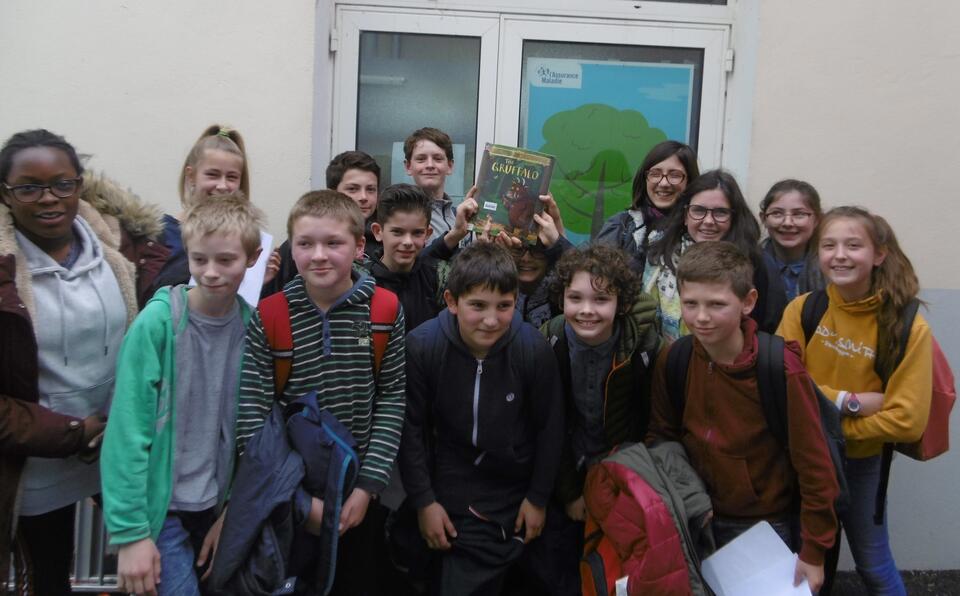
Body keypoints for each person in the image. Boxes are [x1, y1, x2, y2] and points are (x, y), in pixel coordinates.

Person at [0, 129, 167, 595]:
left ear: (80, 185)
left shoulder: (124, 250)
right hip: (35, 467)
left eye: (62, 184)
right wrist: (75, 432)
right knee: (48, 580)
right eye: (28, 187)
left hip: (119, 451)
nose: (48, 198)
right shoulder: (5, 272)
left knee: (152, 569)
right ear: (6, 194)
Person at [236, 190, 406, 595]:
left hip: (358, 495)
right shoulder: (270, 314)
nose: (318, 256)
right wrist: (297, 500)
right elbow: (253, 417)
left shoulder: (385, 310)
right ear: (290, 248)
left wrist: (368, 486)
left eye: (333, 243)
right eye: (305, 244)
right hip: (287, 499)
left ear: (360, 246)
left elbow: (392, 398)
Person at [647, 240, 839, 594]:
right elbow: (663, 437)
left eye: (716, 304)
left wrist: (813, 552)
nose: (701, 317)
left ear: (747, 302)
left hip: (762, 526)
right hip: (696, 520)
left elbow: (815, 466)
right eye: (690, 304)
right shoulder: (674, 359)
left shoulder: (779, 368)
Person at [101, 193, 263, 596]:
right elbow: (126, 431)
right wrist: (130, 533)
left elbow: (251, 432)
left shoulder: (251, 328)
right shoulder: (157, 324)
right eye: (199, 259)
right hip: (160, 511)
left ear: (253, 258)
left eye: (225, 260)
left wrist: (231, 511)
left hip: (214, 508)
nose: (210, 272)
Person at [777, 207, 932, 596]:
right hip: (804, 461)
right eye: (829, 245)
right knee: (804, 564)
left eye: (853, 245)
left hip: (863, 463)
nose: (840, 255)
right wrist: (850, 401)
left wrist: (822, 420)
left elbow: (907, 420)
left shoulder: (906, 324)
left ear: (879, 254)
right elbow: (782, 384)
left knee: (873, 565)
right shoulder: (803, 309)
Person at [399, 242, 564, 595]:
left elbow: (550, 428)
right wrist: (424, 502)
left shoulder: (532, 350)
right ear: (451, 301)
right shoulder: (423, 347)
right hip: (449, 476)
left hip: (513, 481)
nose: (491, 320)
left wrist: (538, 498)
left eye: (504, 306)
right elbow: (410, 430)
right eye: (477, 305)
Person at [535, 244, 660, 594]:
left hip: (623, 481)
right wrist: (570, 493)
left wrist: (622, 488)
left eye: (601, 299)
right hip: (566, 477)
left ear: (621, 303)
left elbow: (653, 423)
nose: (587, 310)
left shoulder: (645, 347)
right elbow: (547, 426)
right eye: (575, 298)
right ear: (561, 299)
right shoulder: (550, 341)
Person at [643, 169, 782, 340]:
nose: (708, 221)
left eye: (720, 212)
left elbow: (766, 327)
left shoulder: (756, 263)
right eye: (698, 210)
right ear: (686, 216)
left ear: (734, 218)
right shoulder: (660, 255)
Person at [263, 150, 384, 296]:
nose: (364, 197)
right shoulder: (299, 246)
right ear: (332, 192)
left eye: (371, 189)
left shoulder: (382, 241)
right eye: (353, 189)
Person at [151, 124, 249, 294]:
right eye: (213, 174)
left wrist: (263, 280)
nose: (222, 186)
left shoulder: (247, 237)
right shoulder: (161, 233)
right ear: (191, 176)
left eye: (231, 177)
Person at [368, 183, 475, 332]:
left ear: (428, 234)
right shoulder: (362, 283)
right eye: (397, 232)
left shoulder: (439, 278)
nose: (407, 242)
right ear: (378, 231)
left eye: (417, 233)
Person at [597, 140, 699, 274]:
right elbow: (596, 279)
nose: (663, 183)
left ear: (690, 181)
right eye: (655, 174)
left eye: (674, 175)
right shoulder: (621, 226)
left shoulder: (699, 229)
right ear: (644, 179)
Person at [759, 179, 825, 322]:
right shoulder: (751, 265)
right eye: (777, 213)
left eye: (799, 214)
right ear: (763, 218)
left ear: (817, 219)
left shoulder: (831, 267)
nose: (787, 223)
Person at [404, 127, 458, 236]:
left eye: (437, 159)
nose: (430, 165)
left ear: (450, 166)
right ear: (408, 167)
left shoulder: (458, 217)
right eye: (421, 159)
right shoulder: (401, 215)